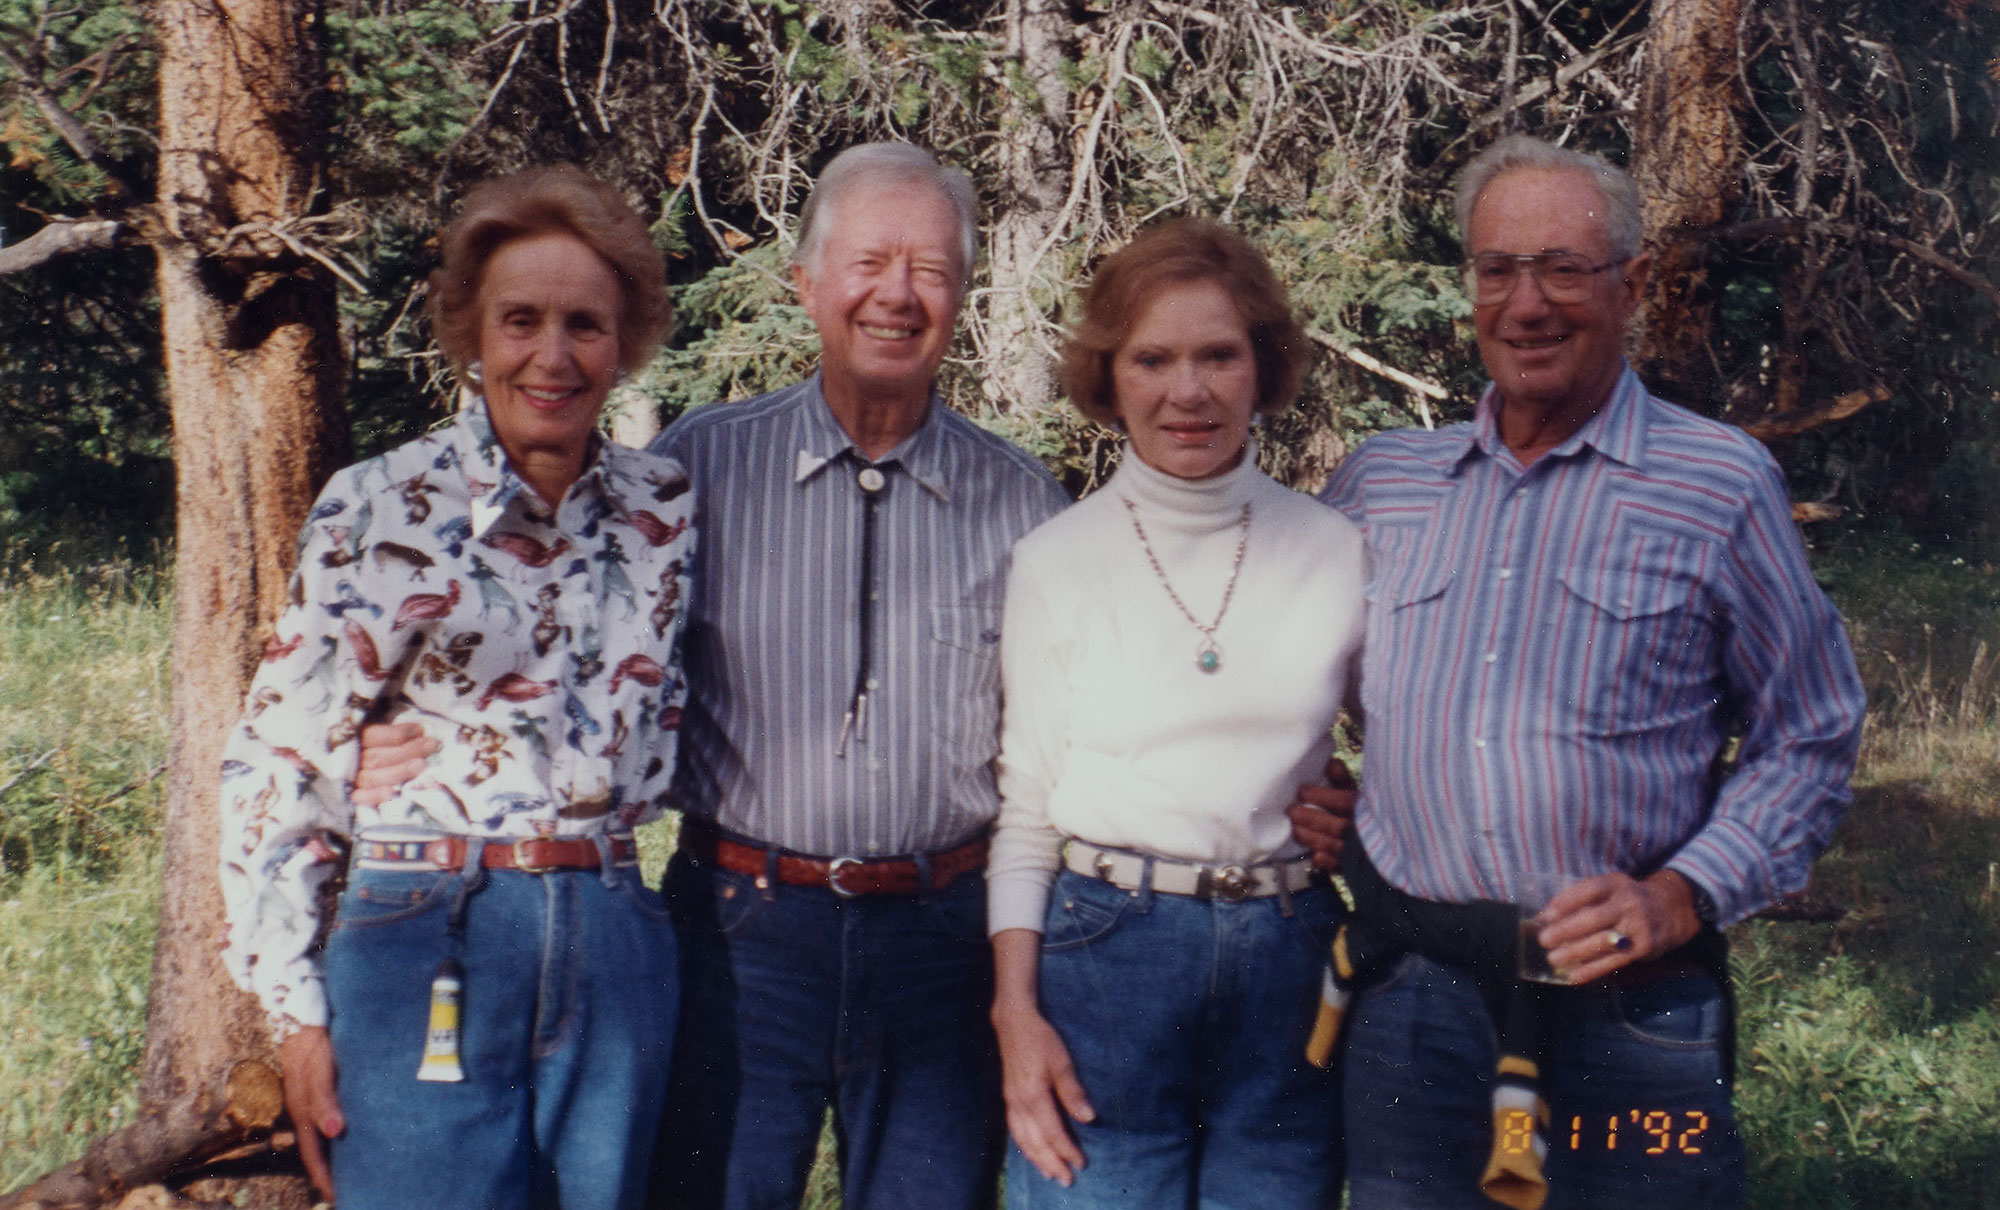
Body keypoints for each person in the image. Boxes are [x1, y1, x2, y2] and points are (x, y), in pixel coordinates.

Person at [357, 142, 1071, 1210]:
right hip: (740, 932)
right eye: (870, 261)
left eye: (930, 268)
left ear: (962, 294)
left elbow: (1071, 738)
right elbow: (553, 636)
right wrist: (374, 736)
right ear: (807, 284)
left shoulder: (1024, 503)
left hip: (942, 940)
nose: (896, 294)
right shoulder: (696, 468)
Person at [1294, 135, 1867, 1209]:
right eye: (1496, 269)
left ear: (1632, 284)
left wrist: (1682, 893)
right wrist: (1307, 786)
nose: (1526, 304)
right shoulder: (1383, 484)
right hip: (1412, 1004)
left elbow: (1812, 729)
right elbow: (1277, 684)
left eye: (1562, 267)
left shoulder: (1716, 484)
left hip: (1634, 1019)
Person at [219, 165, 695, 1210]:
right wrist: (295, 1012)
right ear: (471, 335)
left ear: (625, 343)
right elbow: (279, 757)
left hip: (614, 929)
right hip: (429, 928)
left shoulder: (660, 508)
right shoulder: (379, 505)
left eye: (585, 323)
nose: (552, 354)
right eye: (519, 319)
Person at [988, 218, 1365, 1208]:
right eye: (1151, 358)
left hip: (1288, 953)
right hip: (1107, 954)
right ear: (1108, 375)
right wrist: (1015, 1015)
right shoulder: (1055, 560)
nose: (1185, 391)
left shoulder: (1333, 548)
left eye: (1216, 355)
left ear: (1262, 365)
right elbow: (1025, 810)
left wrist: (1363, 810)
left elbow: (1396, 753)